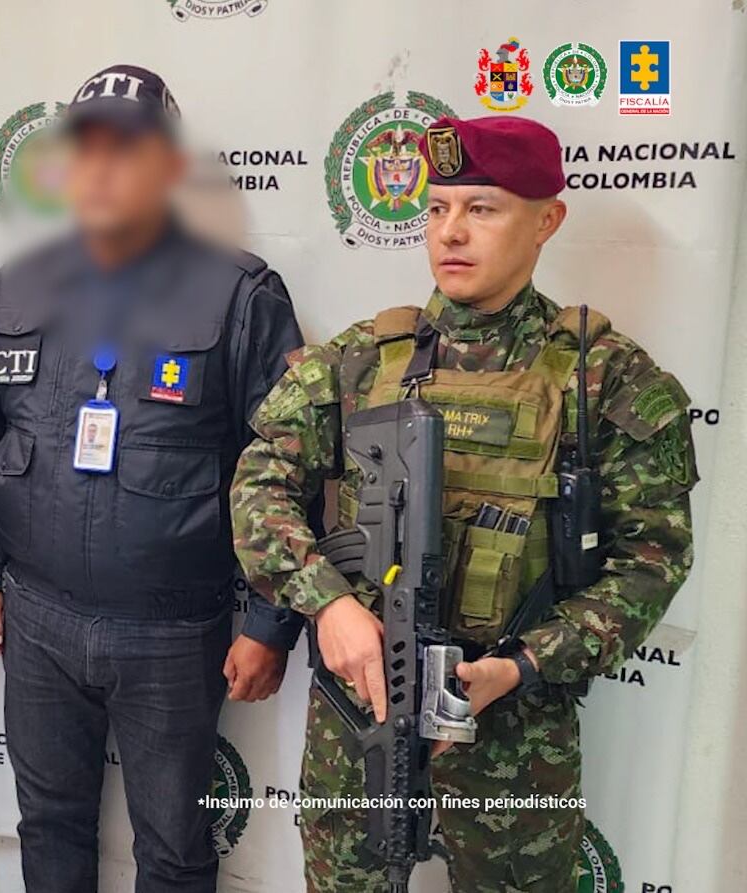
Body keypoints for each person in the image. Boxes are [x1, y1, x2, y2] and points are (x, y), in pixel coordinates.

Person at [231, 115, 697, 892]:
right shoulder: (360, 360)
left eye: (483, 208)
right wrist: (328, 604)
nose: (451, 231)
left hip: (516, 736)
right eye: (438, 208)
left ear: (547, 219)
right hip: (362, 719)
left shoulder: (604, 379)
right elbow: (258, 485)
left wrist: (524, 664)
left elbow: (654, 557)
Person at [0, 64, 306, 891]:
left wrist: (270, 621)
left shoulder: (240, 293)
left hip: (173, 632)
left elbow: (293, 467)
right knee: (49, 826)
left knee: (174, 847)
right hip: (37, 618)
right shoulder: (16, 288)